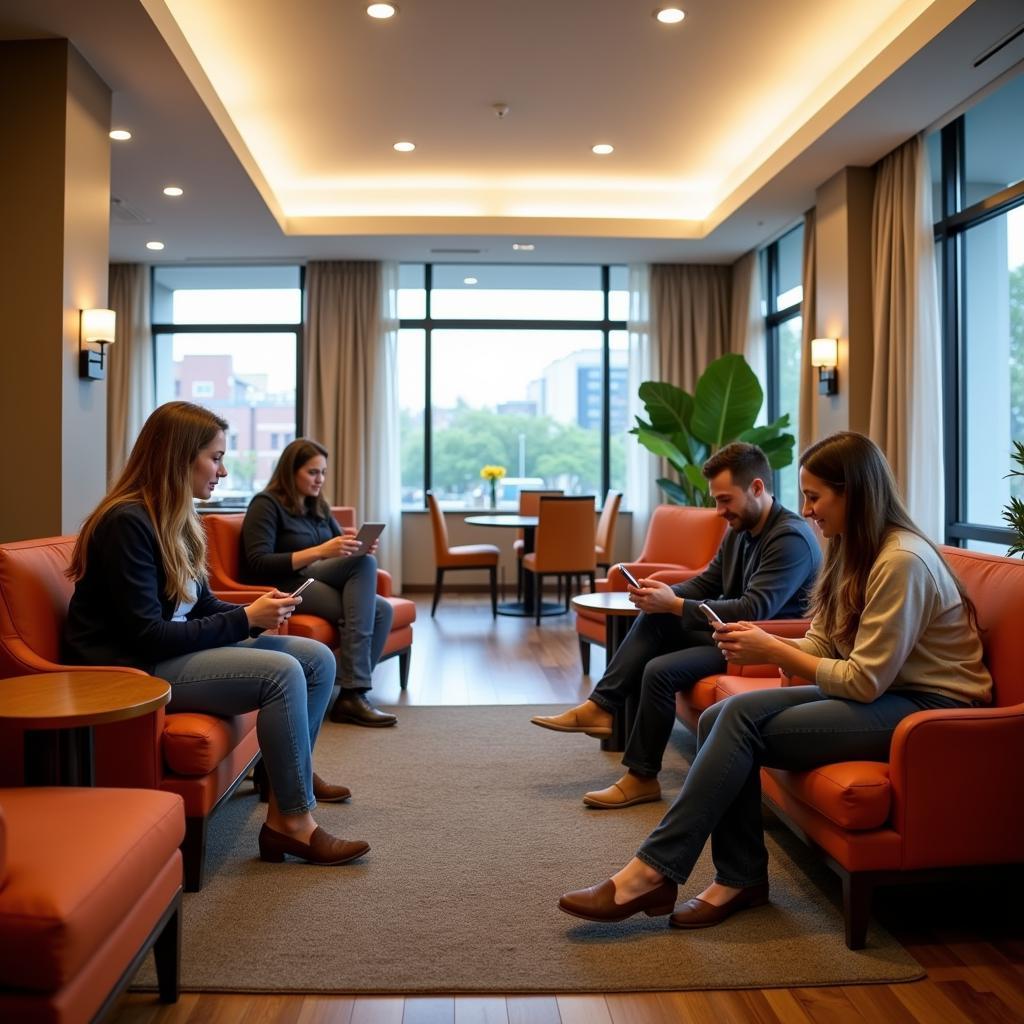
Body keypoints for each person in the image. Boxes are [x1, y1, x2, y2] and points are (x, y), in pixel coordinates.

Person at [557, 431, 991, 928]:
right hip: (890, 691)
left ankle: (652, 874)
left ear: (854, 493)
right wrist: (774, 650)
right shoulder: (851, 550)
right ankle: (737, 877)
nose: (806, 510)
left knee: (738, 721)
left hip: (935, 711)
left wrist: (776, 648)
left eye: (814, 497)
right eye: (805, 497)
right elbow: (825, 646)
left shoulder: (901, 562)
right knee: (720, 714)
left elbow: (865, 681)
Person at [65, 401, 369, 867]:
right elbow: (147, 634)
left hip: (166, 648)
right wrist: (245, 621)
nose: (223, 471)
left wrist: (255, 611)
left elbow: (199, 605)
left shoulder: (179, 518)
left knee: (317, 658)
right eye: (216, 457)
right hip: (130, 664)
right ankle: (292, 823)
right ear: (178, 457)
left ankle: (289, 778)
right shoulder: (126, 522)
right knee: (282, 673)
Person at [531, 442, 821, 809]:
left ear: (758, 488)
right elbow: (707, 581)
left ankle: (640, 775)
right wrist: (666, 594)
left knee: (659, 670)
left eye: (725, 500)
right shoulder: (740, 528)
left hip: (760, 648)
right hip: (729, 636)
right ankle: (602, 707)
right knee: (656, 615)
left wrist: (677, 604)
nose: (719, 511)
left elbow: (754, 608)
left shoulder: (790, 538)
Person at [241, 439, 396, 727]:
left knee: (380, 603)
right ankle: (353, 693)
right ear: (291, 471)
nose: (320, 480)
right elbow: (258, 563)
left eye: (323, 472)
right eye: (313, 472)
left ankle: (351, 692)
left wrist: (355, 548)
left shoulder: (319, 507)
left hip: (319, 576)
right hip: (287, 583)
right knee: (374, 608)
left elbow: (338, 548)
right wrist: (320, 551)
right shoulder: (266, 504)